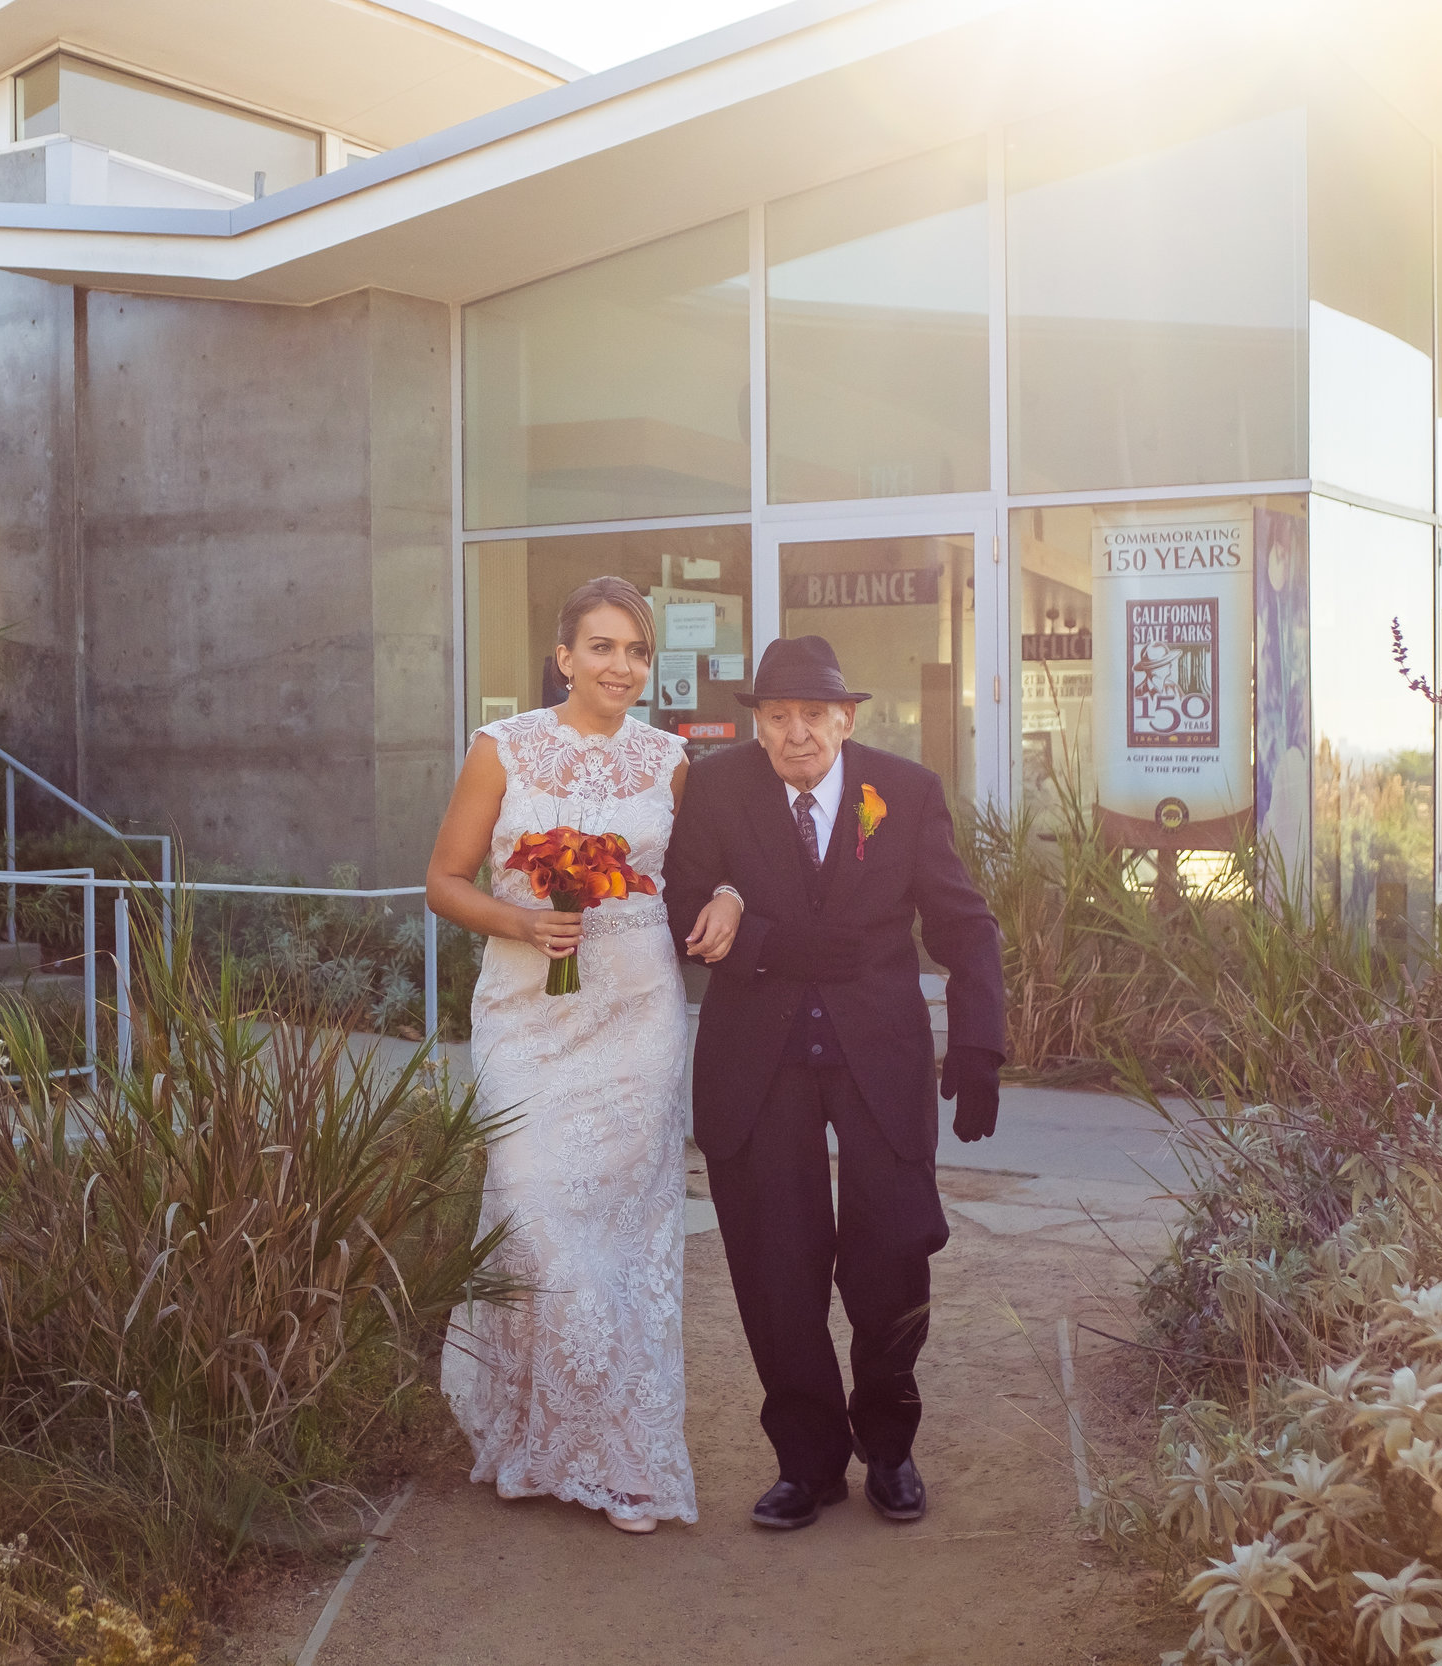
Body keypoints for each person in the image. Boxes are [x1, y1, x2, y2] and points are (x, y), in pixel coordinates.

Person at [661, 635, 1006, 1531]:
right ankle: (807, 1464)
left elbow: (965, 926)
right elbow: (680, 906)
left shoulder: (906, 790)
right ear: (759, 723)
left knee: (892, 1256)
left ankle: (890, 1448)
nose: (796, 733)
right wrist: (773, 942)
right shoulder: (718, 786)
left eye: (815, 714)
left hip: (878, 1057)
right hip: (758, 1061)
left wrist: (978, 1045)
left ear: (847, 718)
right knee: (778, 1268)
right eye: (777, 716)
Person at [425, 576, 743, 1535]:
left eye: (636, 652)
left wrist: (728, 895)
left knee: (626, 1236)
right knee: (534, 1214)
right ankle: (535, 1429)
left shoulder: (671, 759)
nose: (621, 668)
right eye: (601, 648)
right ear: (564, 657)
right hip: (527, 1018)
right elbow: (443, 880)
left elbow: (709, 865)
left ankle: (624, 1455)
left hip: (639, 1016)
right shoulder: (504, 748)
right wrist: (522, 919)